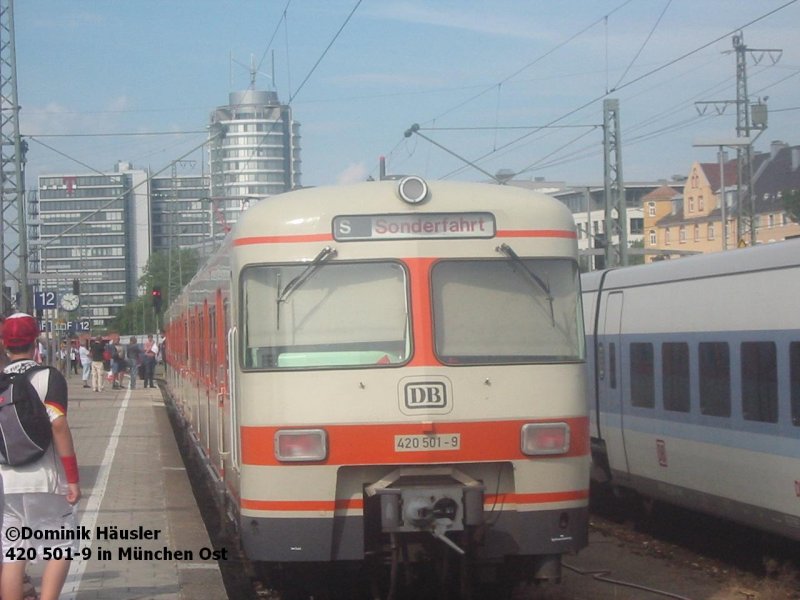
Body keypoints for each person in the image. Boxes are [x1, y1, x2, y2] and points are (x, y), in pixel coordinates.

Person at [0, 312, 81, 600]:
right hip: (47, 479)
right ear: (36, 343)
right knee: (60, 545)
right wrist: (72, 479)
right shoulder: (48, 376)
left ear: (4, 343)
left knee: (13, 554)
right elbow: (58, 423)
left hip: (7, 483)